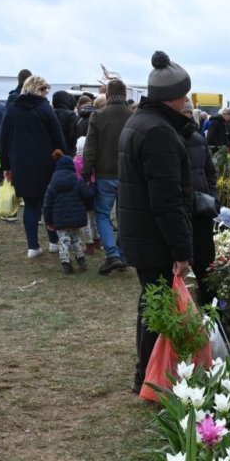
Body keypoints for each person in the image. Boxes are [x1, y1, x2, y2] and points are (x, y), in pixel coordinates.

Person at [119, 50, 194, 395]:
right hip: (154, 238)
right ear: (172, 96)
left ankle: (148, 375)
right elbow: (167, 200)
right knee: (157, 309)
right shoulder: (159, 132)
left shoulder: (139, 122)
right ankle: (150, 378)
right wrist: (181, 250)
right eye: (184, 94)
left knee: (151, 304)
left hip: (140, 233)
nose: (187, 100)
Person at [0, 75, 67, 258]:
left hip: (20, 163)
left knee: (30, 205)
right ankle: (54, 241)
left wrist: (6, 166)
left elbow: (3, 140)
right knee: (48, 203)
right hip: (46, 162)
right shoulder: (45, 109)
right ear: (38, 89)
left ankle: (33, 246)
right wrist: (63, 155)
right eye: (45, 90)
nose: (46, 94)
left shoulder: (12, 109)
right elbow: (58, 137)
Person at [83, 78, 132, 274]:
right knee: (125, 216)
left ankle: (112, 254)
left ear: (107, 95)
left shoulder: (98, 116)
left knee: (102, 214)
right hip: (128, 175)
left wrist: (86, 172)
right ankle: (122, 254)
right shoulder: (133, 116)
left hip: (105, 173)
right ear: (125, 94)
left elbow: (90, 147)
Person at [185, 106, 219, 306]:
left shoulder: (198, 140)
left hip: (200, 211)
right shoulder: (166, 138)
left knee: (205, 267)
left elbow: (210, 173)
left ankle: (213, 314)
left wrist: (213, 198)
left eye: (188, 113)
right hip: (177, 212)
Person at [43, 153, 94, 274]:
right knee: (76, 239)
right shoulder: (78, 181)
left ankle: (66, 263)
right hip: (76, 219)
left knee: (63, 241)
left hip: (60, 220)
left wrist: (49, 221)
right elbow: (89, 195)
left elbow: (47, 205)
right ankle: (81, 259)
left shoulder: (52, 184)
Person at [52, 90, 78, 154]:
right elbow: (72, 135)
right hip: (67, 150)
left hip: (52, 150)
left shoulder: (50, 113)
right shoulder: (71, 115)